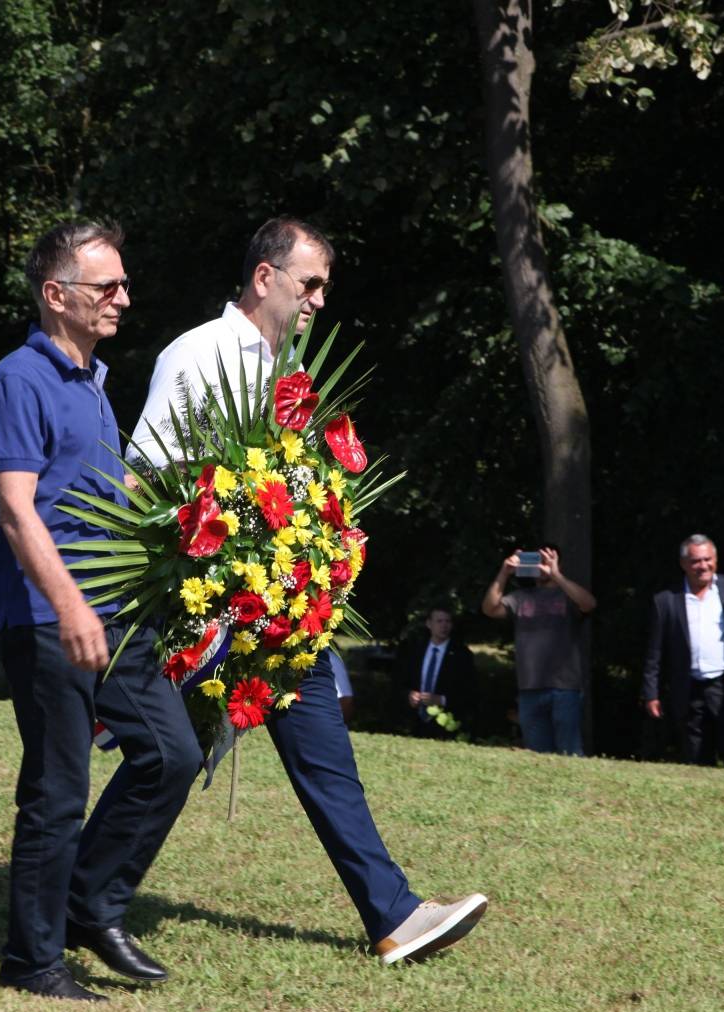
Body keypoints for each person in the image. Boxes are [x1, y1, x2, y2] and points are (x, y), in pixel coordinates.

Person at [129, 216, 487, 967]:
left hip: (280, 617)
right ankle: (81, 897)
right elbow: (142, 479)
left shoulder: (282, 369)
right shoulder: (197, 354)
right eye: (310, 283)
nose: (320, 301)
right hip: (213, 614)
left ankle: (393, 915)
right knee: (164, 763)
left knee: (321, 754)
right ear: (266, 278)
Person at [0, 221, 201, 1002]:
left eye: (122, 285)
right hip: (46, 617)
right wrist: (70, 606)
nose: (123, 299)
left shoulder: (94, 381)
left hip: (115, 611)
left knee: (172, 754)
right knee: (57, 791)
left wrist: (206, 528)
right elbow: (18, 511)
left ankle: (88, 905)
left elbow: (107, 489)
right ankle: (32, 962)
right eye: (107, 287)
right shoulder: (19, 378)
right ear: (56, 295)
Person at [640, 534, 724, 768]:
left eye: (707, 559)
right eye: (696, 561)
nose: (703, 566)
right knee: (695, 752)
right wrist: (651, 693)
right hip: (688, 687)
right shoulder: (666, 600)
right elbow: (655, 652)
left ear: (716, 560)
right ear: (683, 564)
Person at [483, 543, 597, 756]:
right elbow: (490, 609)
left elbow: (589, 604)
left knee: (569, 753)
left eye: (547, 560)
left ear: (557, 563)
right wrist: (504, 573)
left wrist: (557, 576)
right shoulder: (521, 597)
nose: (542, 566)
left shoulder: (567, 595)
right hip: (530, 688)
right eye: (537, 561)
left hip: (564, 688)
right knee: (537, 756)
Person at [392, 606, 479, 739]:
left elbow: (470, 691)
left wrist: (441, 700)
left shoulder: (462, 655)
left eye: (447, 621)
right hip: (413, 722)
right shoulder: (414, 650)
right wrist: (408, 695)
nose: (444, 626)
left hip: (446, 724)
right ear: (429, 624)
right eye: (439, 621)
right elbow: (398, 681)